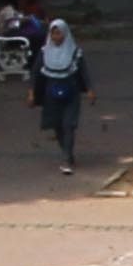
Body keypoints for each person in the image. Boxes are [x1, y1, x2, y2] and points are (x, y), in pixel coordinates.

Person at [31, 11, 89, 169]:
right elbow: (36, 72)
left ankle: (67, 158)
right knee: (57, 125)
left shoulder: (75, 52)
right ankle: (67, 152)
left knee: (68, 124)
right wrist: (32, 92)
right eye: (54, 33)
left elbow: (83, 71)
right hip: (51, 94)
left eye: (59, 33)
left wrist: (90, 89)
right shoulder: (45, 52)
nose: (57, 37)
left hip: (71, 92)